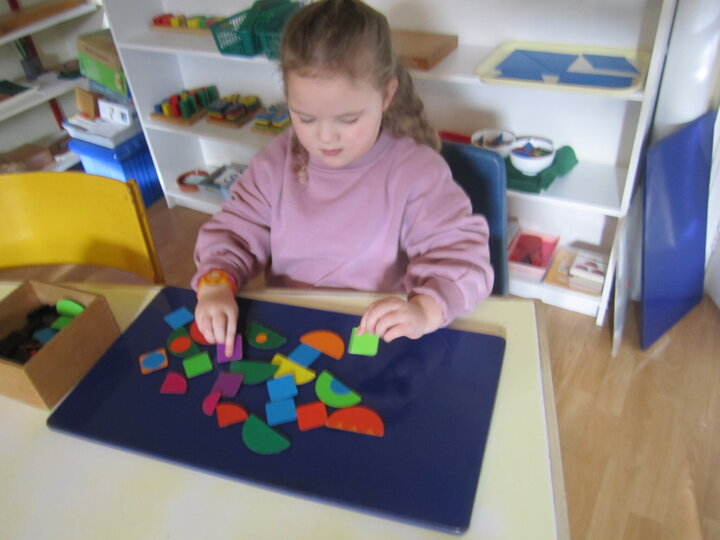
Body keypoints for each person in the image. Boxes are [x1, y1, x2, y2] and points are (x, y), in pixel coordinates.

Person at [192, 0, 493, 356]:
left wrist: (425, 310)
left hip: (377, 337)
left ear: (387, 95)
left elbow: (462, 258)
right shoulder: (275, 164)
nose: (325, 138)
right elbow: (234, 232)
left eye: (348, 119)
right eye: (305, 118)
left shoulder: (416, 172)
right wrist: (216, 284)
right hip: (292, 331)